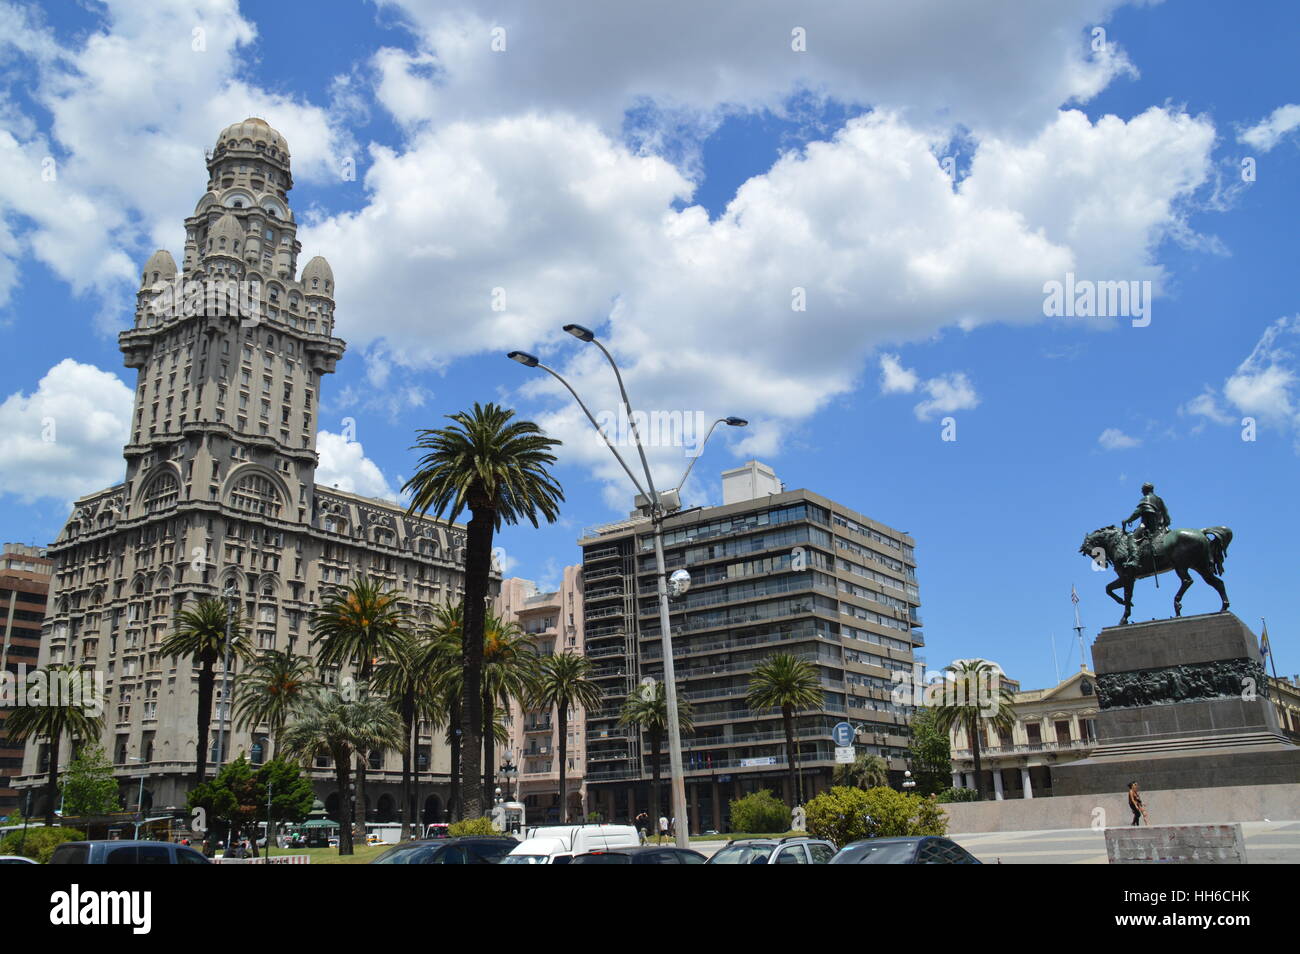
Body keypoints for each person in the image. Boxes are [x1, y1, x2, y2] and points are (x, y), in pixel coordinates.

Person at [1122, 483, 1171, 570]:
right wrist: (1165, 524)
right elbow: (1166, 515)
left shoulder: (1146, 499)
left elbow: (1138, 512)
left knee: (1131, 538)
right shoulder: (1159, 499)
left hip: (1147, 526)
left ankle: (1135, 560)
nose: (1141, 492)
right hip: (1161, 528)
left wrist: (1127, 520)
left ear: (1145, 490)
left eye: (1142, 490)